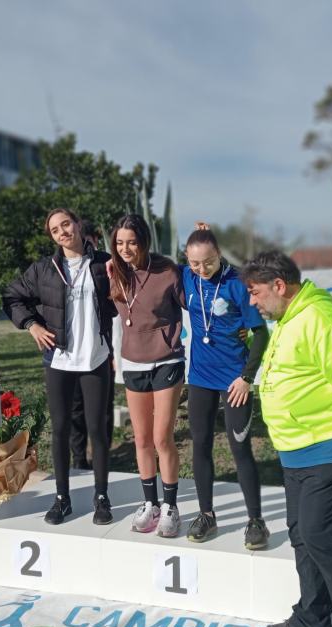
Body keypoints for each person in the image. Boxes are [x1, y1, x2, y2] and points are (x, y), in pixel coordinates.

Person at [244, 250, 332, 627]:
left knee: (321, 535)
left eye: (255, 293)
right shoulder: (288, 320)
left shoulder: (320, 317)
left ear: (278, 286)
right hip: (297, 451)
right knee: (302, 536)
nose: (253, 302)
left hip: (330, 447)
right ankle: (313, 618)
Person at [3, 208, 116, 526]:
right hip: (59, 361)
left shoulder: (104, 263)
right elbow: (12, 297)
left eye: (66, 224)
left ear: (78, 225)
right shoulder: (44, 269)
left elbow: (131, 281)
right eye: (55, 230)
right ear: (52, 237)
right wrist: (31, 325)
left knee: (98, 430)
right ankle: (62, 498)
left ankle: (101, 497)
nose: (62, 232)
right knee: (62, 430)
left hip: (95, 359)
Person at [181, 224, 271, 550]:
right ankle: (207, 514)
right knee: (200, 445)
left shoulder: (237, 285)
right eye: (194, 264)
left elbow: (261, 334)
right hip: (200, 377)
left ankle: (255, 521)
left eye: (208, 262)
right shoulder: (187, 277)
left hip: (234, 380)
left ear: (219, 255)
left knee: (239, 449)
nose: (201, 270)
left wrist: (247, 378)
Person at [110, 214, 185, 539]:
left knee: (161, 438)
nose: (125, 248)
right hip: (133, 363)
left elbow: (195, 298)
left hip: (167, 360)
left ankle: (170, 507)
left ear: (143, 241)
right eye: (120, 242)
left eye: (132, 242)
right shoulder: (114, 272)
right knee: (140, 439)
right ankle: (150, 503)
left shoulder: (167, 270)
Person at [70, 220, 115, 469]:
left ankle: (102, 454)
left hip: (101, 348)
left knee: (104, 407)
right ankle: (78, 459)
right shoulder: (62, 266)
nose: (91, 243)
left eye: (94, 239)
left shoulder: (106, 262)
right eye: (88, 238)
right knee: (76, 408)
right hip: (72, 352)